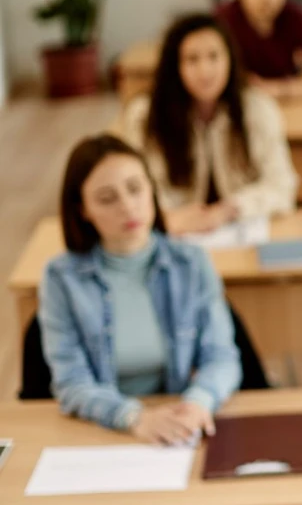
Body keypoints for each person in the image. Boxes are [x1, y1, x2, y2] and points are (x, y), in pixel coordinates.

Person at [38, 134, 241, 442]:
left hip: (179, 422)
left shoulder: (191, 262)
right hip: (105, 427)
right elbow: (72, 383)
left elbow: (222, 357)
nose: (128, 207)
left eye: (135, 188)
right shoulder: (61, 278)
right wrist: (134, 418)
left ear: (152, 189)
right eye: (107, 198)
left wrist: (197, 403)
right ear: (83, 210)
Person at [118, 14, 298, 235]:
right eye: (192, 59)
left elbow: (282, 186)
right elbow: (134, 187)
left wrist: (230, 209)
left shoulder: (258, 109)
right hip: (172, 232)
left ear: (230, 59)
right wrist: (169, 217)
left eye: (214, 56)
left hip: (240, 230)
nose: (205, 71)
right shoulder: (144, 116)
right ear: (175, 66)